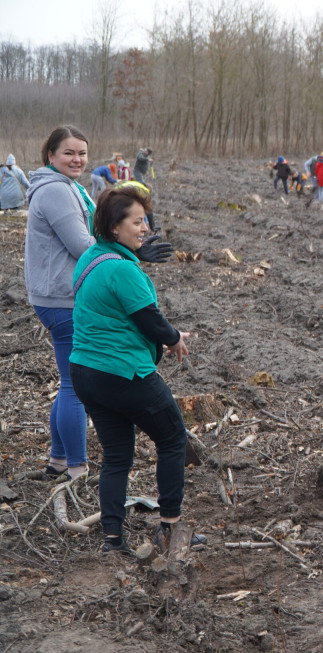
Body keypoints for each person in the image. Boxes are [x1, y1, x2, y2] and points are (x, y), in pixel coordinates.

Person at [24, 125, 172, 482]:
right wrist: (132, 252)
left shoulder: (68, 186)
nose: (77, 160)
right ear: (51, 156)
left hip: (61, 293)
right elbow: (82, 246)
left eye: (82, 153)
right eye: (69, 153)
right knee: (75, 383)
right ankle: (77, 469)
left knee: (68, 381)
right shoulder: (56, 192)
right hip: (62, 298)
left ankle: (59, 460)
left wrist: (132, 245)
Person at [69, 185, 194, 555]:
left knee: (118, 455)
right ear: (113, 227)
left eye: (146, 221)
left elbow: (115, 305)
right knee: (173, 439)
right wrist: (175, 338)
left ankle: (113, 540)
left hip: (86, 373)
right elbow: (149, 321)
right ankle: (169, 528)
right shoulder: (124, 271)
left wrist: (135, 255)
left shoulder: (91, 257)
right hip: (124, 374)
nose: (145, 229)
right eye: (137, 222)